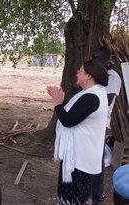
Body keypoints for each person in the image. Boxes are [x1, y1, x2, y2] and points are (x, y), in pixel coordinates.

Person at [47, 60, 109, 205]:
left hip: (80, 157)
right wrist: (60, 102)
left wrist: (57, 103)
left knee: (76, 197)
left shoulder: (92, 97)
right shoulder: (90, 94)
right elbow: (75, 115)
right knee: (74, 196)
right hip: (79, 153)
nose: (77, 72)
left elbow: (68, 121)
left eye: (80, 71)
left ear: (89, 76)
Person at [91, 46, 122, 204]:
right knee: (92, 157)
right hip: (92, 121)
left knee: (97, 159)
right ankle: (93, 190)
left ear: (104, 59)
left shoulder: (112, 76)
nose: (94, 61)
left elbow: (107, 101)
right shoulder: (100, 75)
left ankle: (97, 195)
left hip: (100, 123)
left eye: (96, 58)